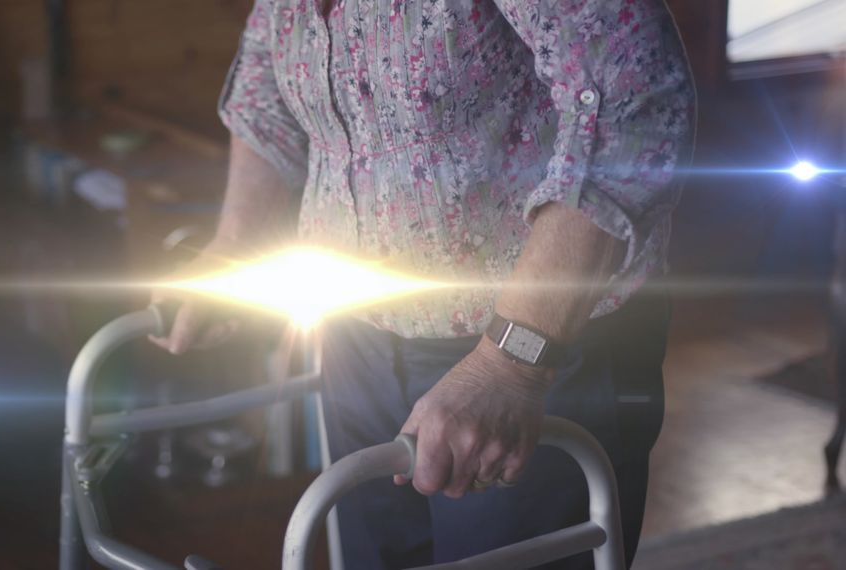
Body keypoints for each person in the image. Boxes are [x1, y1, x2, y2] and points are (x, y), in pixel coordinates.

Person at [152, 0, 695, 568]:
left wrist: (511, 361)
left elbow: (635, 100)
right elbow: (266, 103)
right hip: (356, 343)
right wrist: (234, 246)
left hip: (540, 347)